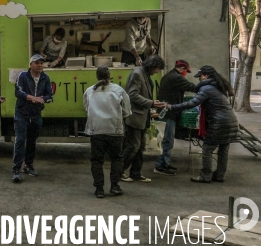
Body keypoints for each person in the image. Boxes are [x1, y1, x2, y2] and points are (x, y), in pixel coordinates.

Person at [166, 65, 238, 183]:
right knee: (223, 150)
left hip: (218, 123)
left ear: (206, 76)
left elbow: (192, 103)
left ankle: (205, 176)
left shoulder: (207, 88)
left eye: (200, 76)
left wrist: (171, 107)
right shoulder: (219, 87)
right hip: (231, 122)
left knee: (207, 149)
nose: (199, 79)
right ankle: (219, 176)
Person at [84, 66, 132, 198]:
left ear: (96, 76)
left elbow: (87, 108)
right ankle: (115, 186)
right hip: (115, 131)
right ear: (110, 76)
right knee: (116, 159)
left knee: (96, 160)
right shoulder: (119, 90)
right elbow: (127, 112)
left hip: (96, 131)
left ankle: (99, 189)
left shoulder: (89, 91)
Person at [122, 55, 166, 183]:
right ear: (152, 66)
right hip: (134, 116)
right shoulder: (137, 74)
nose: (157, 71)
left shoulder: (144, 74)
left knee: (140, 147)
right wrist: (150, 103)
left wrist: (151, 106)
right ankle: (119, 171)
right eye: (157, 68)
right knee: (133, 146)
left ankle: (135, 173)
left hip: (141, 116)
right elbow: (133, 95)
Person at [12, 54, 53, 182]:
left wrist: (43, 99)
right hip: (22, 114)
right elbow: (18, 92)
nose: (40, 65)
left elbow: (49, 94)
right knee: (20, 140)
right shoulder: (23, 76)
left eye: (42, 63)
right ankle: (16, 170)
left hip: (36, 114)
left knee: (32, 141)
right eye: (37, 63)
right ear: (31, 64)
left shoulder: (45, 78)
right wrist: (32, 98)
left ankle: (28, 165)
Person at [154, 60, 197, 175]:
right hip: (169, 113)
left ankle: (165, 162)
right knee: (168, 140)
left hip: (165, 112)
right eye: (186, 71)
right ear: (182, 68)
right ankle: (160, 166)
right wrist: (205, 86)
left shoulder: (168, 76)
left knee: (167, 139)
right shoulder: (176, 77)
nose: (186, 73)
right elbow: (191, 87)